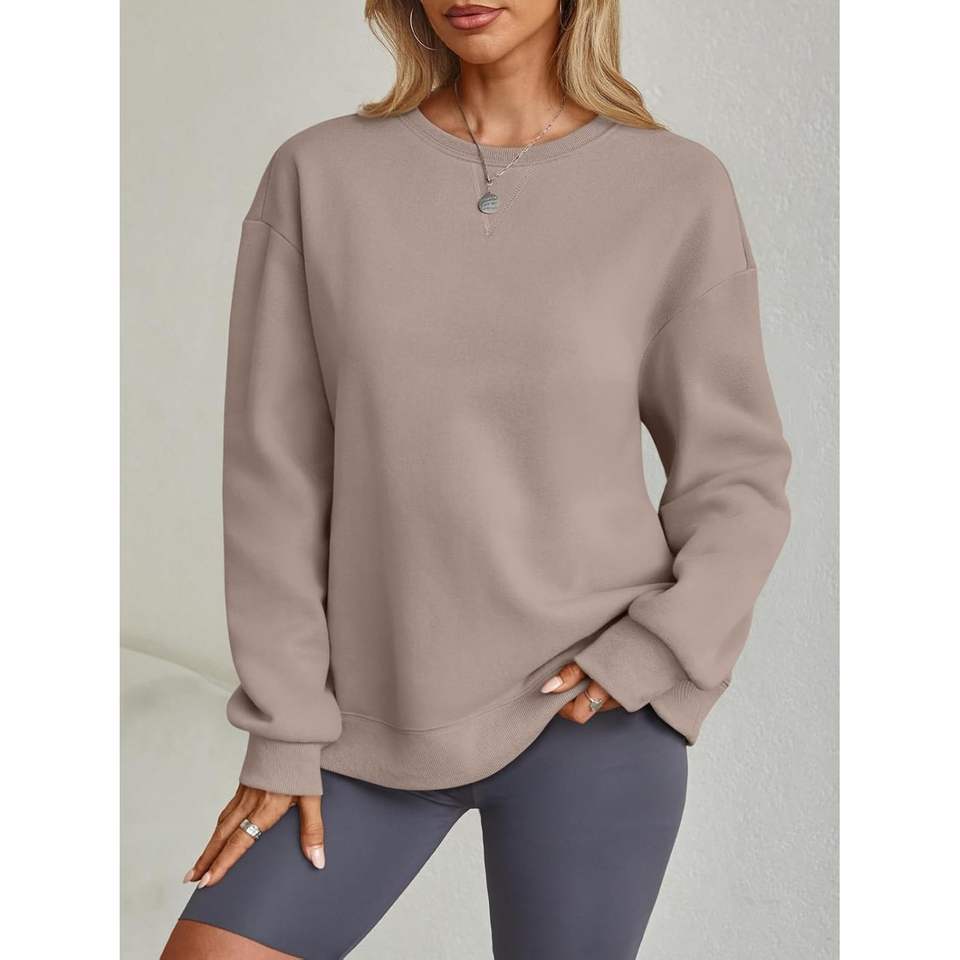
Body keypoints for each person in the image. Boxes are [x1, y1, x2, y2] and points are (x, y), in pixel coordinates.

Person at [161, 1, 792, 957]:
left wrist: (656, 651)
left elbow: (735, 470)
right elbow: (274, 478)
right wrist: (285, 725)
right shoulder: (319, 175)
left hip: (589, 716)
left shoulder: (674, 186)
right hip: (361, 722)